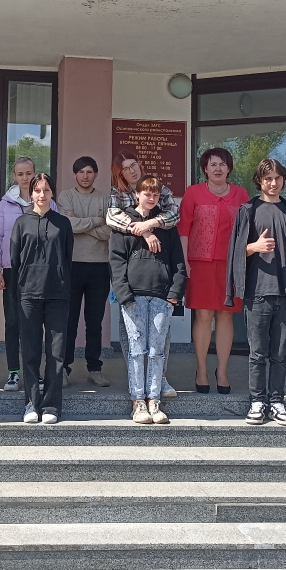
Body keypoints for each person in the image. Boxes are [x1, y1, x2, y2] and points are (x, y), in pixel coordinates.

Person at [225, 157, 286, 426]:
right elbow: (235, 251)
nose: (273, 183)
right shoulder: (248, 210)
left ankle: (277, 402)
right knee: (257, 353)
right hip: (257, 293)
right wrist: (254, 247)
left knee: (279, 354)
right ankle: (257, 402)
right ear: (259, 181)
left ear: (283, 180)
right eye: (268, 178)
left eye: (278, 178)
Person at [111, 176, 187, 424]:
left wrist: (174, 294)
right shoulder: (125, 223)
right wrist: (124, 294)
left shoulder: (166, 225)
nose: (151, 198)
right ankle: (138, 403)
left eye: (155, 194)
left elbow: (178, 262)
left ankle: (154, 401)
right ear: (137, 194)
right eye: (147, 193)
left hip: (161, 297)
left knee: (156, 352)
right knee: (136, 351)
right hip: (133, 296)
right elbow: (117, 262)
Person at [178, 148, 248, 394]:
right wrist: (184, 262)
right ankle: (201, 370)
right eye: (213, 164)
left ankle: (222, 371)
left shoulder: (241, 194)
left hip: (231, 265)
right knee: (204, 315)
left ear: (229, 168)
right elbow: (183, 229)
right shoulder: (193, 193)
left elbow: (247, 230)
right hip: (200, 263)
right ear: (205, 169)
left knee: (226, 315)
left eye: (222, 164)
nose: (218, 168)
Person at [9, 172, 73, 425]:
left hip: (57, 294)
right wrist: (17, 292)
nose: (42, 195)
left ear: (52, 193)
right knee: (31, 352)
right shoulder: (21, 223)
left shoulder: (63, 223)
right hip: (28, 295)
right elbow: (15, 260)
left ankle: (51, 406)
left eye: (46, 190)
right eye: (37, 190)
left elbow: (67, 258)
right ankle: (31, 404)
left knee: (56, 353)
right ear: (31, 193)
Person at [0, 156, 49, 393]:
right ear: (14, 176)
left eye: (29, 173)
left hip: (38, 272)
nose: (25, 178)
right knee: (13, 322)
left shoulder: (45, 201)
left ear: (35, 173)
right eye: (20, 174)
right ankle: (13, 372)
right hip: (11, 271)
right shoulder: (5, 204)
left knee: (34, 324)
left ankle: (34, 372)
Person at [58, 156, 112, 388]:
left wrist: (81, 224)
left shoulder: (105, 198)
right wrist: (97, 221)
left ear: (96, 174)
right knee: (68, 321)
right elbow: (67, 225)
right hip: (72, 266)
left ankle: (94, 369)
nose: (85, 176)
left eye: (90, 171)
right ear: (75, 174)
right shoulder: (65, 196)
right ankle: (63, 368)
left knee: (94, 321)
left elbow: (109, 231)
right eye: (81, 172)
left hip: (99, 266)